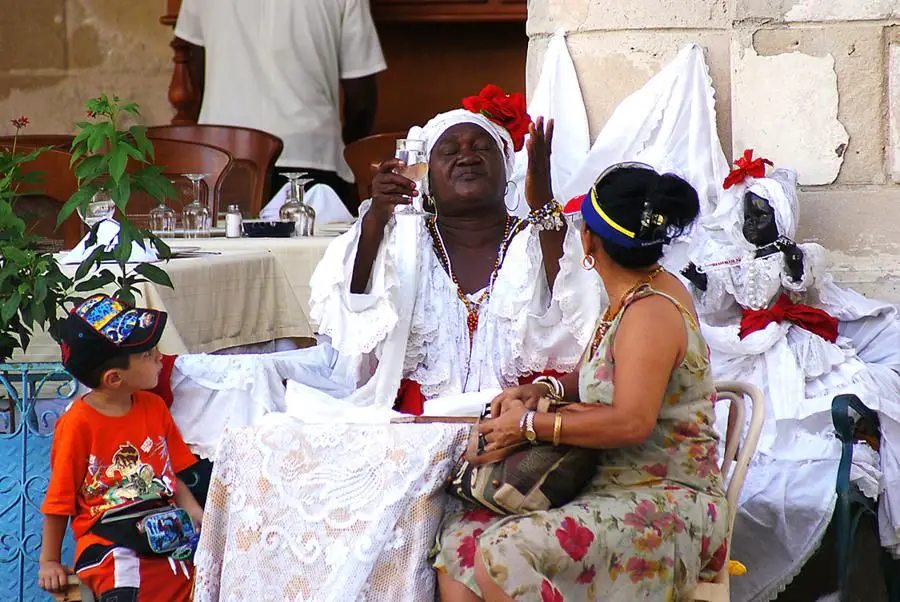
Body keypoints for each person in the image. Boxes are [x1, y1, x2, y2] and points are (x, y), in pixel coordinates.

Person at [434, 164, 728, 602]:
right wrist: (547, 390)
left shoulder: (650, 311)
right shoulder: (631, 295)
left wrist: (528, 425)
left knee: (504, 552)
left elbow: (631, 423)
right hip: (608, 487)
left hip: (666, 502)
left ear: (589, 241)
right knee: (463, 537)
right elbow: (606, 373)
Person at [38, 294, 204, 602]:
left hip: (162, 526)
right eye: (148, 354)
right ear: (114, 378)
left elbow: (171, 476)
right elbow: (59, 499)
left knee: (194, 577)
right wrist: (48, 561)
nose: (160, 358)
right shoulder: (77, 424)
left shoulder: (154, 407)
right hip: (107, 537)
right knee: (126, 578)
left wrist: (197, 515)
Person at [174, 0, 386, 214]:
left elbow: (193, 67)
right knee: (315, 247)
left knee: (226, 246)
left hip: (224, 157)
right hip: (311, 154)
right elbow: (361, 101)